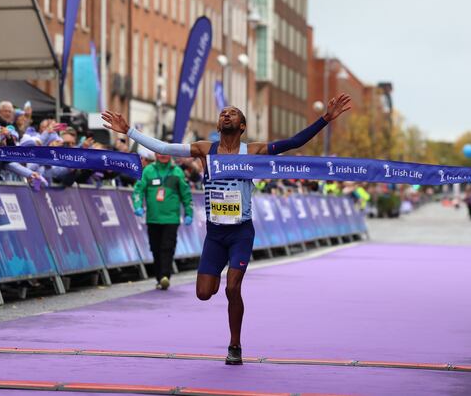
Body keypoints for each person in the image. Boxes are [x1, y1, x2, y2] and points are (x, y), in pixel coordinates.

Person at [103, 93, 352, 365]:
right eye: (223, 113)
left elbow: (293, 143)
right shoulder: (204, 150)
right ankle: (220, 280)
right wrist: (129, 131)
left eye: (232, 113)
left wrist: (325, 119)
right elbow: (165, 147)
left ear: (242, 125)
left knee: (232, 289)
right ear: (219, 124)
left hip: (241, 232)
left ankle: (235, 345)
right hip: (215, 233)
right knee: (203, 293)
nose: (226, 115)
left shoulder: (253, 151)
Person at [133, 153, 194, 290]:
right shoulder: (148, 171)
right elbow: (138, 190)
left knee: (167, 247)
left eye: (166, 153)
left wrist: (189, 213)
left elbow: (186, 194)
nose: (163, 156)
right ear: (155, 154)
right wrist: (137, 206)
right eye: (160, 153)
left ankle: (165, 276)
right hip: (153, 218)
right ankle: (159, 278)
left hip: (171, 218)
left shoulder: (177, 172)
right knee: (155, 248)